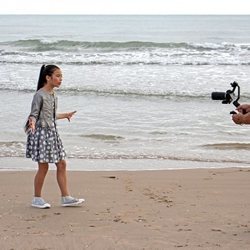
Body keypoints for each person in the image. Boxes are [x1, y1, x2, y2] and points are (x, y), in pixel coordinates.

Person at [26, 64, 84, 209]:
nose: (60, 79)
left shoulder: (53, 95)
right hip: (41, 134)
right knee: (43, 167)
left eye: (61, 76)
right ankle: (37, 199)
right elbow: (34, 115)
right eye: (58, 76)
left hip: (52, 133)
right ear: (48, 77)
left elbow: (50, 116)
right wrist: (31, 123)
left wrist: (65, 115)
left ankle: (66, 197)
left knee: (61, 164)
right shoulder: (39, 95)